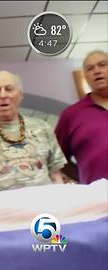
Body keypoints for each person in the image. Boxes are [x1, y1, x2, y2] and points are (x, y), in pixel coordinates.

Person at [0, 70, 66, 198]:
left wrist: (62, 206)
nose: (3, 95)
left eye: (9, 89)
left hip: (42, 209)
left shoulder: (42, 127)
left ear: (20, 94)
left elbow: (55, 174)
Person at [55, 50, 108, 185]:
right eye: (90, 69)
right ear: (85, 76)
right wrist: (84, 178)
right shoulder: (71, 115)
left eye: (102, 65)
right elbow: (58, 158)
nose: (97, 71)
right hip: (98, 199)